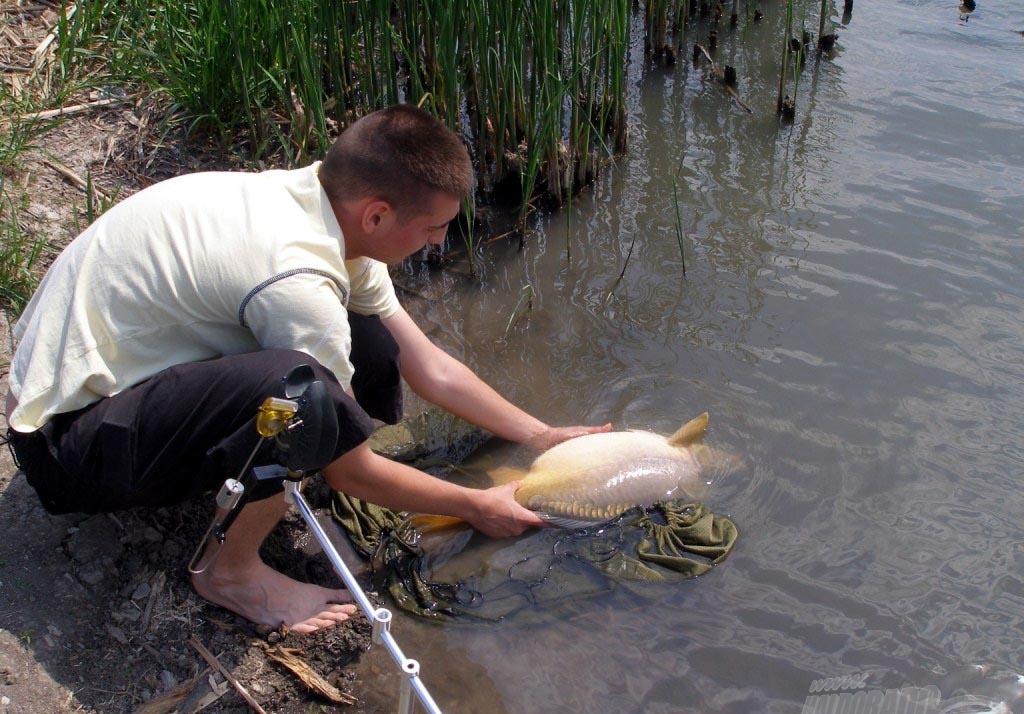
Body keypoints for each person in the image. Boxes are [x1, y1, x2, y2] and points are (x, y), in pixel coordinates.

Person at [5, 105, 609, 633]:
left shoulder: (318, 209)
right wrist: (477, 505)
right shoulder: (296, 277)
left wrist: (539, 436)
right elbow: (348, 474)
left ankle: (273, 476)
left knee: (367, 341)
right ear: (376, 215)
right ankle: (229, 571)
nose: (436, 244)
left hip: (108, 388)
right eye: (432, 229)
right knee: (302, 398)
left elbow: (427, 365)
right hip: (66, 448)